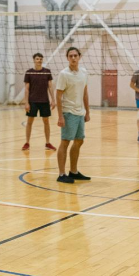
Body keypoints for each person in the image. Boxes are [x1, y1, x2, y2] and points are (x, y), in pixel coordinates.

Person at [55, 47, 90, 184]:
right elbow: (58, 96)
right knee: (65, 142)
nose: (73, 58)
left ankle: (73, 172)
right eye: (71, 56)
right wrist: (60, 116)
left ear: (79, 57)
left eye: (75, 55)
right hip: (68, 112)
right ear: (67, 58)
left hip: (80, 112)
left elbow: (85, 93)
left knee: (79, 141)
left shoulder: (84, 72)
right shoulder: (64, 74)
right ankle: (61, 174)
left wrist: (87, 112)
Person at [22, 52, 56, 151]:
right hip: (32, 101)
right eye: (37, 59)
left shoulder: (47, 72)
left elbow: (50, 86)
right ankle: (27, 143)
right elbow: (27, 89)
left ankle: (48, 143)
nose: (39, 60)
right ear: (34, 60)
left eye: (41, 59)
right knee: (30, 121)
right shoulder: (29, 72)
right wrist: (26, 102)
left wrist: (53, 100)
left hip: (44, 101)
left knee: (46, 121)